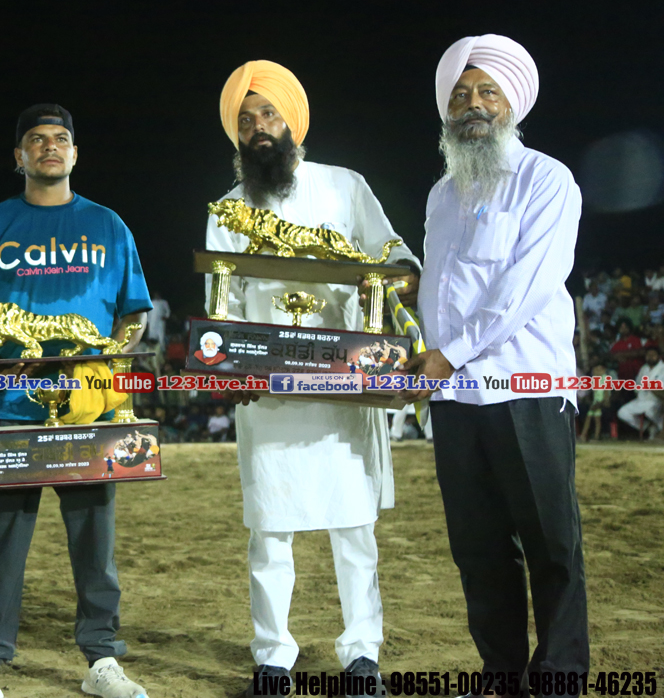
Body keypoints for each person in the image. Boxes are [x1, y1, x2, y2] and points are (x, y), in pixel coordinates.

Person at [208, 60, 419, 696]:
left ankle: (362, 656)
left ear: (292, 122)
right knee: (269, 529)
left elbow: (393, 252)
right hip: (267, 391)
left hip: (342, 388)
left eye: (268, 114)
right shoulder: (227, 209)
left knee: (354, 528)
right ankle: (273, 658)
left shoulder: (345, 186)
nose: (258, 127)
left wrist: (396, 281)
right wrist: (226, 364)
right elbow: (222, 300)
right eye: (246, 119)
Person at [403, 34, 587, 691]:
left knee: (551, 545)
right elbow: (437, 292)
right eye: (459, 94)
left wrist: (448, 355)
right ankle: (502, 673)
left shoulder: (546, 179)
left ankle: (560, 675)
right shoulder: (440, 196)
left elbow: (526, 287)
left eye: (487, 92)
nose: (472, 104)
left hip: (526, 388)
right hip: (455, 400)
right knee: (478, 550)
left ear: (513, 103)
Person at [0, 104, 152, 698]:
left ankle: (102, 660)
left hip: (91, 409)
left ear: (75, 153)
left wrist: (108, 362)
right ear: (19, 156)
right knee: (0, 545)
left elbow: (133, 314)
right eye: (36, 140)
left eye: (61, 138)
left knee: (95, 545)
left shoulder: (109, 225)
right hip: (11, 409)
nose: (50, 147)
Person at [616, 346, 664, 440]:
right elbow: (637, 384)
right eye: (648, 355)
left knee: (650, 413)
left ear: (659, 356)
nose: (650, 357)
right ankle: (648, 427)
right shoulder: (644, 368)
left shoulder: (662, 369)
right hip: (641, 399)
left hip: (656, 400)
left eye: (653, 355)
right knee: (622, 412)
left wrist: (652, 388)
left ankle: (660, 430)